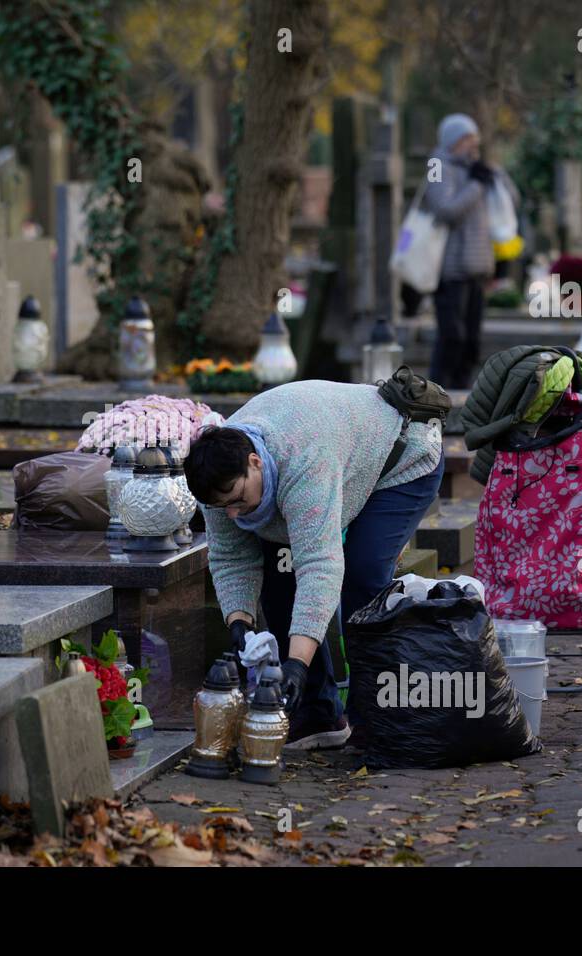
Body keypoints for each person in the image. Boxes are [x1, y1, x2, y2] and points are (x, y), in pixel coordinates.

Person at [184, 380, 444, 750]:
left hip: (402, 457)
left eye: (239, 500)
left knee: (362, 575)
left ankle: (378, 713)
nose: (232, 512)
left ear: (255, 462)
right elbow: (230, 558)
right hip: (343, 454)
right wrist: (239, 624)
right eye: (222, 506)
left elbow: (319, 567)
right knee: (279, 580)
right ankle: (318, 713)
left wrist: (295, 665)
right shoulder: (219, 480)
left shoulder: (302, 462)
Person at [420, 113, 517, 389]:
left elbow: (511, 201)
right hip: (448, 268)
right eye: (465, 139)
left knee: (472, 340)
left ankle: (462, 394)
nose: (471, 144)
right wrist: (476, 185)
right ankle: (436, 391)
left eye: (474, 139)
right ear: (451, 141)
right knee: (452, 336)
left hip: (478, 266)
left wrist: (496, 176)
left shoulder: (475, 167)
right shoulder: (436, 164)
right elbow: (445, 208)